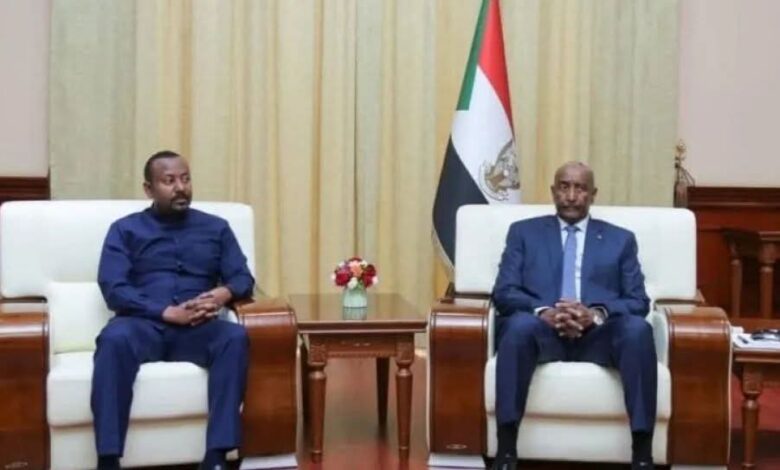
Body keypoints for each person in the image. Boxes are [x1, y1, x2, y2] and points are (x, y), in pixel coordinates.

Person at [92, 150, 255, 470]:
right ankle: (108, 459)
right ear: (149, 189)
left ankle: (216, 457)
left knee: (233, 338)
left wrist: (221, 294)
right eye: (169, 181)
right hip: (143, 325)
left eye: (185, 179)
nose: (180, 187)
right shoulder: (125, 230)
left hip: (198, 328)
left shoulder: (216, 228)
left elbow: (242, 278)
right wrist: (165, 311)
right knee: (113, 340)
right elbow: (114, 287)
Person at [491, 162, 656, 470]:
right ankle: (506, 451)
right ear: (553, 191)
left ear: (593, 194)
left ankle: (643, 455)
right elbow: (504, 292)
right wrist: (545, 311)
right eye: (564, 187)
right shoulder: (523, 233)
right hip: (542, 331)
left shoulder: (620, 240)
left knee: (637, 331)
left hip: (597, 336)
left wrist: (596, 314)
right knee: (517, 327)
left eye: (579, 188)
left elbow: (638, 301)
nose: (570, 195)